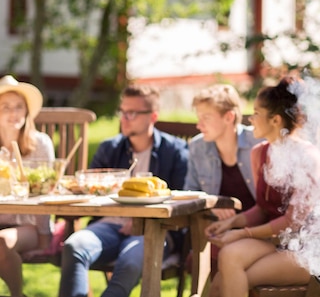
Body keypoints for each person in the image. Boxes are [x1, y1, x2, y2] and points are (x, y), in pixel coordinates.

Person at [58, 85, 188, 297]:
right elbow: (90, 191)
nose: (125, 118)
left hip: (153, 231)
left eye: (133, 113)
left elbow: (181, 200)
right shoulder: (109, 148)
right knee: (74, 246)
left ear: (153, 116)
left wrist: (141, 221)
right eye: (123, 112)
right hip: (110, 225)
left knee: (129, 261)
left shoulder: (175, 152)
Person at [205, 77, 320, 297]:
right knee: (229, 255)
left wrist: (242, 233)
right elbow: (262, 209)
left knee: (224, 282)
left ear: (275, 120)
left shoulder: (309, 158)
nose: (251, 119)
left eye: (256, 113)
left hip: (308, 250)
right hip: (276, 242)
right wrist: (230, 224)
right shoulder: (259, 153)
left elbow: (292, 221)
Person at [183, 84, 262, 277]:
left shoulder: (259, 143)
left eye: (206, 118)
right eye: (198, 118)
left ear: (229, 117)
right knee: (196, 259)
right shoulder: (198, 147)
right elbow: (188, 192)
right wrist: (210, 205)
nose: (198, 125)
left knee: (222, 262)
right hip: (220, 232)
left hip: (260, 231)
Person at [0, 75, 55, 297]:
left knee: (1, 242)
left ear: (26, 111)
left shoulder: (40, 144)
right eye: (5, 107)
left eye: (19, 107)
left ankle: (17, 295)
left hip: (29, 225)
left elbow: (46, 192)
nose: (13, 113)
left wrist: (43, 236)